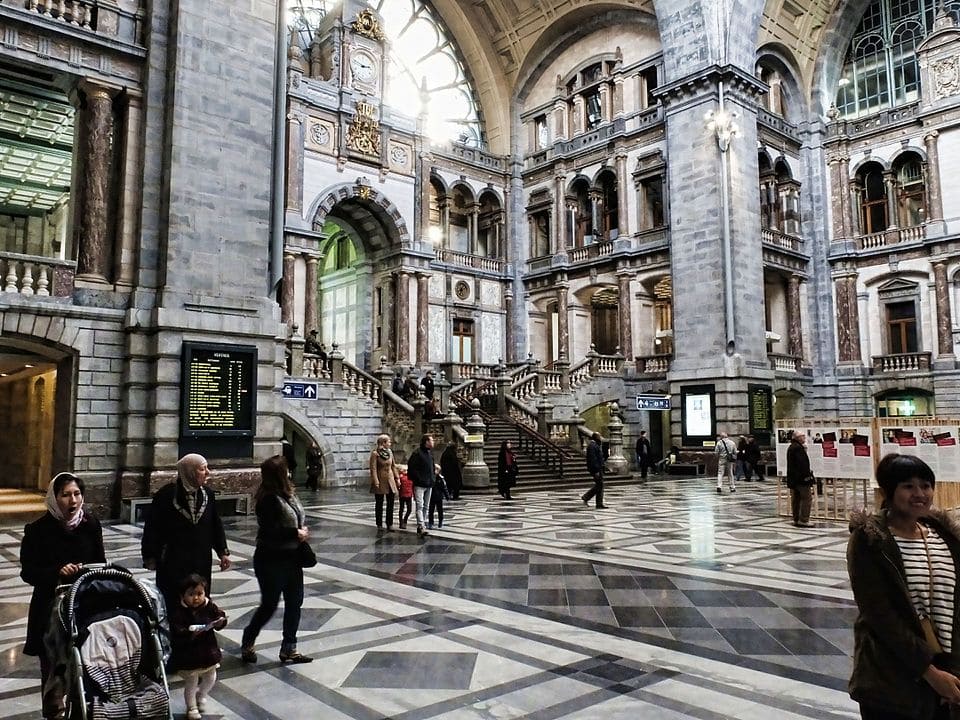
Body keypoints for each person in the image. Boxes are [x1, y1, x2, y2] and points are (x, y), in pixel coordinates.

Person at [847, 453, 960, 720]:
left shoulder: (944, 536)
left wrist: (952, 672)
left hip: (948, 674)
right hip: (892, 678)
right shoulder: (871, 541)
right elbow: (880, 615)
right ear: (889, 491)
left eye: (926, 485)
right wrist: (930, 673)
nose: (919, 493)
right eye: (908, 486)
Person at [20, 472, 106, 719]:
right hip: (49, 607)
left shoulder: (91, 524)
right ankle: (53, 710)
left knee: (85, 662)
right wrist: (57, 571)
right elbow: (28, 572)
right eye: (66, 494)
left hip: (83, 604)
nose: (73, 500)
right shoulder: (37, 530)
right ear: (54, 498)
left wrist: (87, 570)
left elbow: (100, 562)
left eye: (77, 494)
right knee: (51, 665)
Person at [240, 455, 313, 664]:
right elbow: (270, 531)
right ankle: (248, 639)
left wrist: (301, 531)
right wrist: (296, 533)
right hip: (271, 559)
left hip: (292, 557)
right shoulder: (267, 499)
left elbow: (296, 518)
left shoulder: (289, 494)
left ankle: (289, 648)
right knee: (270, 604)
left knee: (294, 602)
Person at [141, 454, 231, 609]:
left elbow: (215, 525)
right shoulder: (166, 495)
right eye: (202, 469)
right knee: (174, 602)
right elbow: (152, 528)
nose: (208, 473)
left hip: (201, 559)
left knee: (199, 600)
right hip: (174, 560)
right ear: (189, 472)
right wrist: (150, 556)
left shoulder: (208, 494)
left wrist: (222, 552)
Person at [169, 574, 227, 720]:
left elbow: (219, 617)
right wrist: (189, 633)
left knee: (211, 676)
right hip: (189, 655)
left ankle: (201, 694)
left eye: (200, 594)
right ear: (183, 595)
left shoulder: (209, 606)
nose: (196, 598)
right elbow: (176, 631)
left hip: (208, 651)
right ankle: (192, 707)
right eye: (191, 594)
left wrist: (220, 622)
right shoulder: (179, 611)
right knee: (191, 681)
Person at [407, 434, 436, 537]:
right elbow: (411, 468)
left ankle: (422, 524)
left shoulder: (429, 453)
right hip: (420, 484)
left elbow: (432, 467)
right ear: (426, 442)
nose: (433, 442)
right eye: (431, 440)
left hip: (429, 483)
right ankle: (421, 525)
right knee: (420, 505)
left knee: (426, 506)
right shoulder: (417, 453)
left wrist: (433, 478)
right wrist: (418, 479)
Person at [369, 434, 400, 531]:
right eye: (388, 442)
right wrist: (376, 481)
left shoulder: (390, 452)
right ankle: (379, 524)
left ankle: (389, 523)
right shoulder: (375, 454)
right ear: (383, 443)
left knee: (390, 502)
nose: (390, 444)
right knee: (379, 503)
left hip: (390, 479)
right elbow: (373, 468)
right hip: (380, 479)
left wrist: (397, 478)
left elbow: (393, 466)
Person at [786, 431, 815, 527]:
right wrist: (807, 477)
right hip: (801, 479)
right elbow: (802, 465)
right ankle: (804, 519)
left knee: (796, 499)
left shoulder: (792, 447)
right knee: (807, 498)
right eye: (803, 436)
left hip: (794, 479)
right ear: (798, 438)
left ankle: (796, 518)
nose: (804, 438)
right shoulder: (798, 448)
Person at [581, 432, 607, 509]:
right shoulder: (592, 446)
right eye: (599, 436)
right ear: (596, 437)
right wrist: (596, 471)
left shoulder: (595, 445)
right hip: (596, 469)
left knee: (600, 486)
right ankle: (586, 497)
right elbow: (593, 460)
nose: (600, 438)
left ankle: (599, 503)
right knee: (599, 485)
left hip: (599, 468)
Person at [397, 464, 413, 530]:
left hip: (409, 495)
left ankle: (404, 520)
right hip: (402, 495)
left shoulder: (411, 477)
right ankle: (401, 522)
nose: (406, 471)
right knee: (401, 509)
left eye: (407, 470)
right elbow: (398, 485)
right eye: (404, 470)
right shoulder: (400, 477)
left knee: (409, 510)